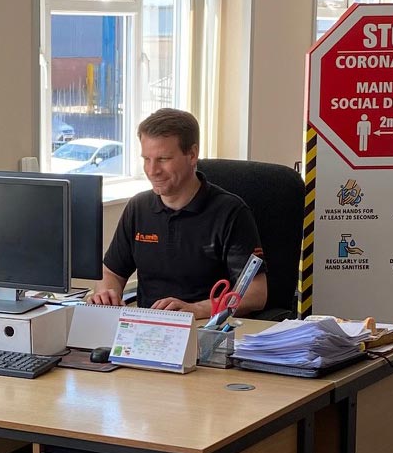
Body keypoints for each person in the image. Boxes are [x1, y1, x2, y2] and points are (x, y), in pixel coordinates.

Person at [87, 109, 267, 320]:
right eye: (146, 159)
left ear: (192, 155)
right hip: (147, 330)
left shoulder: (230, 212)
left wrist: (198, 309)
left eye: (163, 159)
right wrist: (107, 294)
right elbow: (111, 273)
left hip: (204, 327)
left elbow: (256, 294)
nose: (152, 170)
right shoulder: (138, 208)